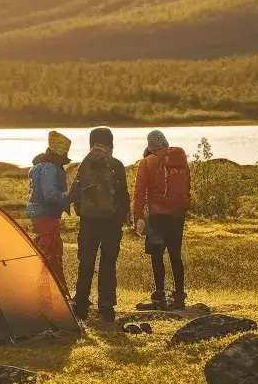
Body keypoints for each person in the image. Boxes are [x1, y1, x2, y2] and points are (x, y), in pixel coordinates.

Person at [69, 126, 130, 326]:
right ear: (110, 142)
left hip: (88, 222)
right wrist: (122, 218)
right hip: (111, 223)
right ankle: (106, 308)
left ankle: (81, 306)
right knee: (108, 264)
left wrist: (81, 211)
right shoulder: (117, 165)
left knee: (85, 263)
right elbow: (123, 194)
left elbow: (76, 193)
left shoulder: (84, 165)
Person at [133, 129, 191, 310]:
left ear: (150, 144)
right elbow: (188, 186)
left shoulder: (147, 161)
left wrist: (138, 216)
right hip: (178, 215)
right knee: (175, 255)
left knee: (157, 256)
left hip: (158, 216)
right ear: (165, 142)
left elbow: (139, 192)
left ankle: (160, 298)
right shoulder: (179, 160)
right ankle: (179, 297)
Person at [27, 130, 73, 290]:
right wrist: (70, 196)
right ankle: (48, 291)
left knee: (49, 253)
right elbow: (50, 194)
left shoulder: (38, 166)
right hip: (46, 216)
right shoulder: (51, 168)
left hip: (40, 215)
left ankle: (54, 290)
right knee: (50, 255)